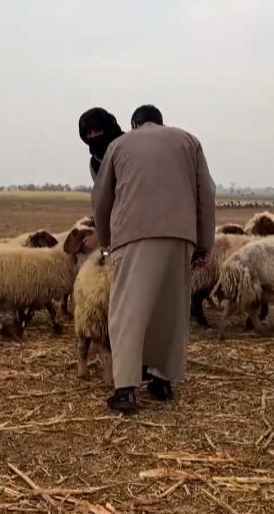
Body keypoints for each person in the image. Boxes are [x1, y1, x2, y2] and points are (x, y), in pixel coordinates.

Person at [91, 105, 215, 413]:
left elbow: (101, 198)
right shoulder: (189, 142)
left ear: (134, 124)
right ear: (161, 122)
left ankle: (126, 389)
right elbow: (206, 194)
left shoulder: (119, 145)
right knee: (171, 310)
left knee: (128, 309)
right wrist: (204, 244)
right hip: (180, 235)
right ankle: (162, 381)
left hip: (133, 235)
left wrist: (107, 242)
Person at [78, 107, 124, 182]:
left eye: (97, 130)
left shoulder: (129, 146)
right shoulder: (95, 163)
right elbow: (101, 191)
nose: (93, 135)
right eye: (89, 133)